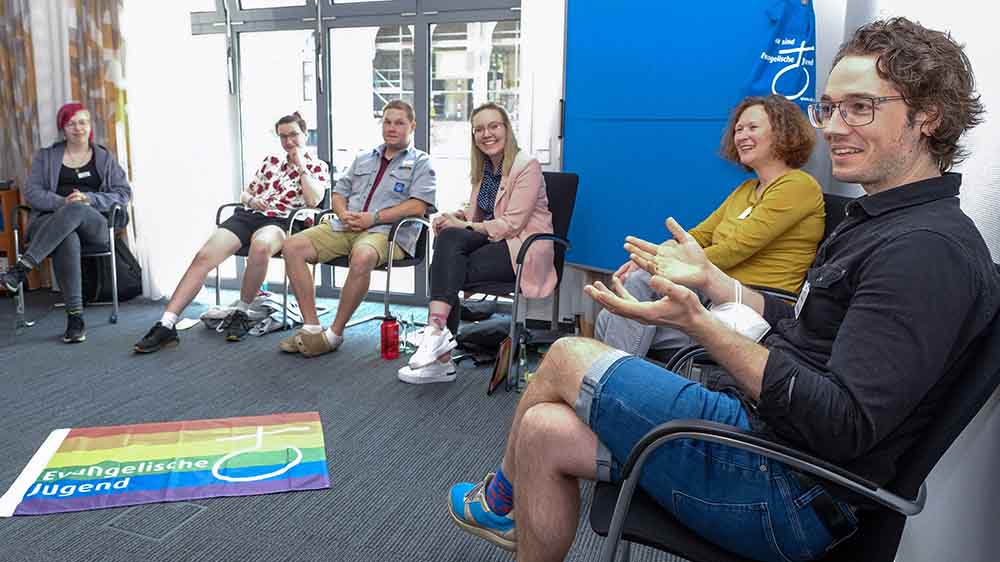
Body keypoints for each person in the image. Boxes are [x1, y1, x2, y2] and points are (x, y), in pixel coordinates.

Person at [445, 18, 998, 562]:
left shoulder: (924, 251)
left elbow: (842, 425)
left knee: (567, 355)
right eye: (828, 107)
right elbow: (804, 320)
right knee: (541, 430)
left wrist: (700, 322)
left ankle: (499, 498)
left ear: (929, 117)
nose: (833, 126)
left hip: (786, 490)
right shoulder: (877, 220)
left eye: (860, 107)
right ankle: (505, 503)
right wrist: (718, 284)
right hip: (767, 440)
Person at [596, 94, 824, 357]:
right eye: (738, 129)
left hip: (753, 309)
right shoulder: (746, 189)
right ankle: (613, 384)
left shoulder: (797, 186)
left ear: (783, 133)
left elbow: (734, 249)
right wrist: (654, 253)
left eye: (752, 127)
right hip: (714, 295)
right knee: (610, 317)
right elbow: (697, 236)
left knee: (641, 285)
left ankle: (605, 383)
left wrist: (659, 263)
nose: (741, 136)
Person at [133, 112, 328, 353]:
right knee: (204, 256)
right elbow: (245, 194)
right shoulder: (271, 162)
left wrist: (300, 165)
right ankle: (166, 324)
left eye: (294, 135)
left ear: (305, 133)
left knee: (261, 246)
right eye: (283, 137)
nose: (288, 142)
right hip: (249, 215)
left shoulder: (318, 166)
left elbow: (314, 199)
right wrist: (252, 200)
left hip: (283, 221)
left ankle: (242, 312)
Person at [398, 102, 557, 384]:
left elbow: (511, 224)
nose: (487, 134)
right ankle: (438, 337)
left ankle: (439, 348)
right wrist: (455, 217)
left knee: (445, 268)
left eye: (493, 126)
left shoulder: (526, 166)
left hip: (523, 247)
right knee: (448, 242)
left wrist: (462, 226)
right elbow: (480, 214)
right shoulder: (484, 167)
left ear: (506, 129)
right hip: (494, 241)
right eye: (479, 129)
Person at [277, 100, 436, 357]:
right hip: (345, 226)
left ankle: (333, 335)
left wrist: (373, 218)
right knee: (291, 246)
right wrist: (343, 214)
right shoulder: (364, 157)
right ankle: (311, 327)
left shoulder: (421, 162)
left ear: (412, 126)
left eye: (399, 123)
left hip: (386, 233)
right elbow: (340, 192)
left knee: (363, 256)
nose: (392, 128)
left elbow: (418, 206)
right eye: (387, 122)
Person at [1, 103, 132, 343]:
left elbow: (123, 193)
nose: (78, 128)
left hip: (95, 225)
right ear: (63, 128)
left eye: (82, 122)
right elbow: (32, 192)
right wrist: (63, 202)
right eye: (71, 123)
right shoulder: (47, 156)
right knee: (67, 237)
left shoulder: (103, 157)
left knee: (77, 208)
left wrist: (88, 199)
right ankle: (75, 318)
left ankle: (23, 267)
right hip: (49, 222)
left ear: (90, 126)